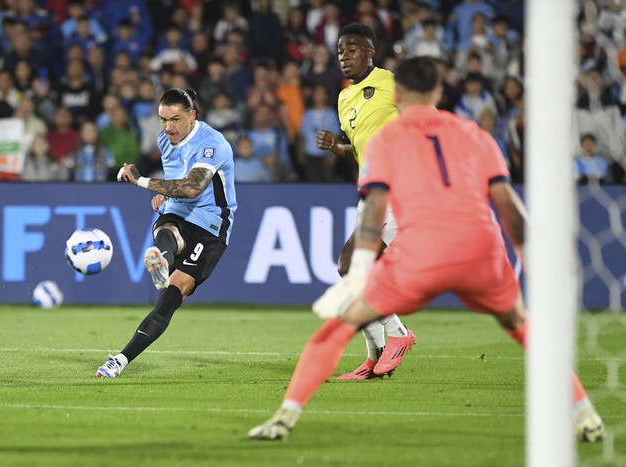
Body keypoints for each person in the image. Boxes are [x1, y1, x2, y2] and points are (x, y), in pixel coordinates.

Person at [247, 56, 605, 443]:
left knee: (336, 328)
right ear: (439, 91)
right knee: (527, 331)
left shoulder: (386, 141)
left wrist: (361, 273)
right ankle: (586, 416)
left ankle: (283, 418)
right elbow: (510, 209)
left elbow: (373, 213)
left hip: (423, 254)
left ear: (397, 93)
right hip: (481, 250)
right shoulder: (475, 134)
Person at [96, 88, 237, 378]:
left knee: (172, 297)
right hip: (180, 211)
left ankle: (123, 357)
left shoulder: (212, 143)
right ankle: (162, 259)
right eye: (163, 120)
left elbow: (191, 187)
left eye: (175, 119)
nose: (168, 127)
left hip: (211, 222)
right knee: (167, 225)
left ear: (192, 116)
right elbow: (176, 183)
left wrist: (145, 182)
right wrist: (164, 193)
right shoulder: (165, 140)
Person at [314, 23, 415, 380]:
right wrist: (336, 146)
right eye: (341, 50)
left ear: (370, 52)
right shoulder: (344, 98)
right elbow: (358, 150)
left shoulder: (391, 83)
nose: (345, 56)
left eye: (352, 49)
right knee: (353, 273)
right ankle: (373, 360)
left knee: (349, 267)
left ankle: (399, 335)